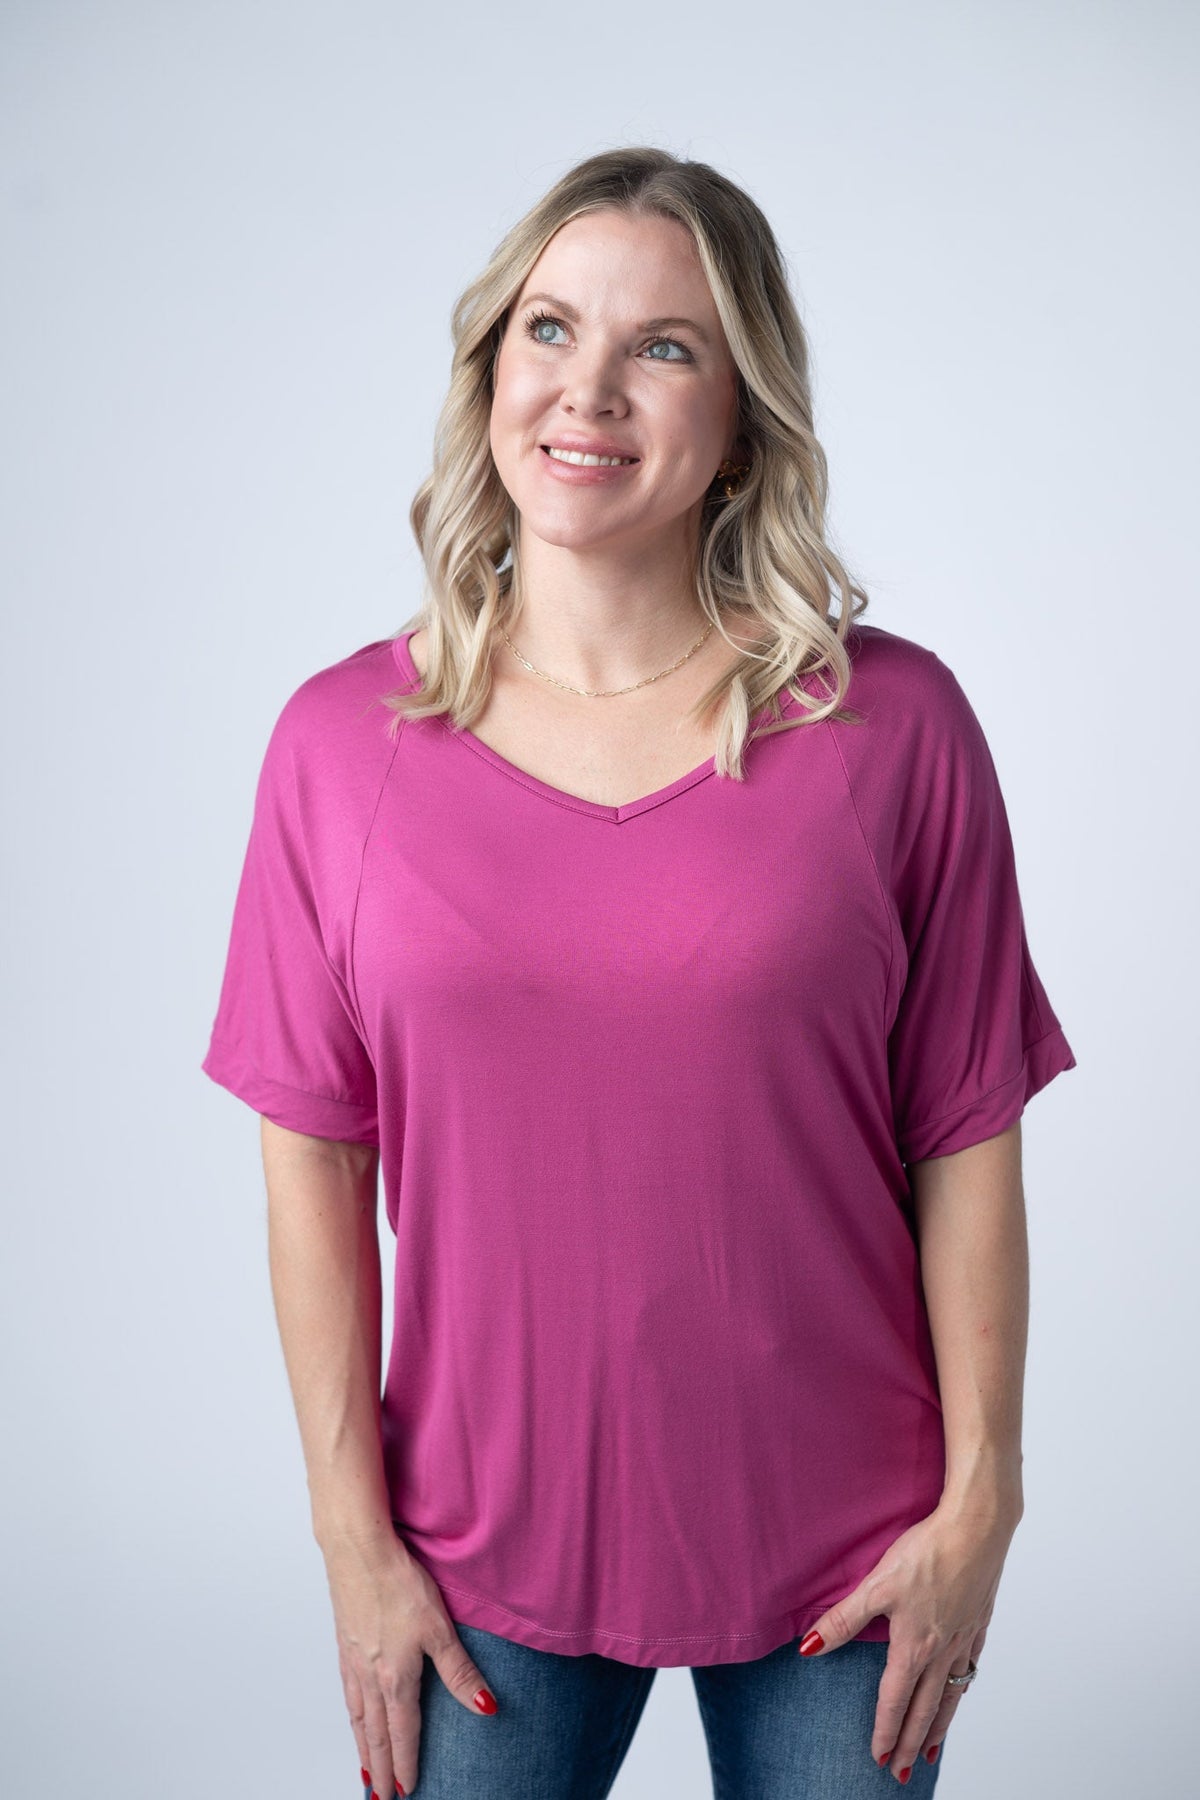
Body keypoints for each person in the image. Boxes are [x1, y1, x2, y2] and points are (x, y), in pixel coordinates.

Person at [201, 146, 1077, 1799]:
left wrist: (983, 1507)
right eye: (549, 329)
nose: (587, 389)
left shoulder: (892, 729)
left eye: (662, 346)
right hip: (476, 1555)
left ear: (741, 416)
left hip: (852, 1555)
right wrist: (352, 1544)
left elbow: (966, 1133)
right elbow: (313, 1152)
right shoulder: (340, 749)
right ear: (491, 371)